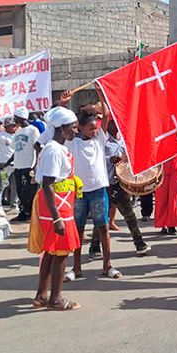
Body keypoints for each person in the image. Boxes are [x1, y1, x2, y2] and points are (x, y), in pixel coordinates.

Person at [66, 86, 121, 280]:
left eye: (96, 128)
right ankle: (76, 267)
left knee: (103, 227)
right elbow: (64, 121)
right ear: (80, 128)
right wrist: (66, 102)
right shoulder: (72, 142)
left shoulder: (99, 139)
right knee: (78, 229)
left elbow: (105, 115)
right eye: (90, 128)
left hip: (98, 189)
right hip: (79, 192)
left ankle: (107, 265)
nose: (95, 130)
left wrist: (101, 93)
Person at [32, 106, 82, 311]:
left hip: (60, 205)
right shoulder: (53, 150)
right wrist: (57, 218)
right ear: (62, 128)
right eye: (73, 127)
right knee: (61, 252)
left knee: (51, 251)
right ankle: (55, 298)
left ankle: (42, 295)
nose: (76, 131)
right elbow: (48, 184)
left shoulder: (57, 148)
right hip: (57, 207)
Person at [103, 120, 150, 255]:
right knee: (102, 217)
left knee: (129, 215)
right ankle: (95, 245)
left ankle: (139, 243)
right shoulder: (103, 140)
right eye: (114, 123)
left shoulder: (123, 139)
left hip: (120, 183)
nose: (117, 126)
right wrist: (110, 159)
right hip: (106, 183)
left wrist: (125, 158)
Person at [10, 108, 40, 222]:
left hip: (28, 165)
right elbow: (15, 149)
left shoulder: (33, 130)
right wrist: (8, 162)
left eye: (16, 117)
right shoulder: (18, 131)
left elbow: (38, 148)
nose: (14, 119)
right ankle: (23, 213)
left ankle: (31, 214)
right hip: (18, 165)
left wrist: (36, 165)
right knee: (20, 191)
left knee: (29, 192)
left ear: (22, 117)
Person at [0, 118, 17, 209]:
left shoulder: (17, 135)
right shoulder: (0, 135)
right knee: (2, 185)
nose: (14, 127)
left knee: (15, 186)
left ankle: (14, 205)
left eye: (14, 125)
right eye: (12, 126)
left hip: (16, 164)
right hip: (4, 165)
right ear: (7, 127)